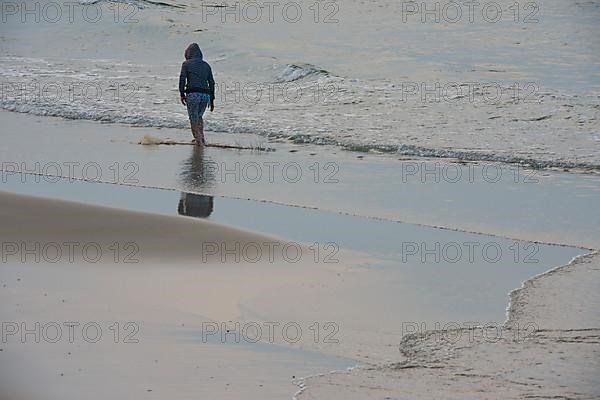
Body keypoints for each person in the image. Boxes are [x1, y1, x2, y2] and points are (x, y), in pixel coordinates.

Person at [179, 43, 215, 146]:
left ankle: (198, 141)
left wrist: (182, 94)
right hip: (205, 96)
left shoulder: (186, 64)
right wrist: (212, 100)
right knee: (199, 117)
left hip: (193, 94)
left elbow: (182, 79)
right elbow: (211, 82)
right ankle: (201, 138)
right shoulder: (206, 65)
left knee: (193, 118)